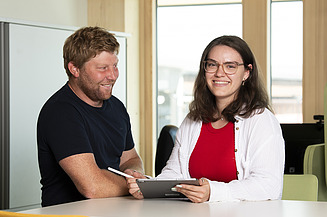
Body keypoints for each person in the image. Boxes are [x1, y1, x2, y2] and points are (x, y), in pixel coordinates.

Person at [127, 35, 285, 203]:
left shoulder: (261, 120)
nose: (219, 73)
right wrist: (148, 186)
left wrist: (213, 192)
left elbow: (269, 186)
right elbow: (174, 173)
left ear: (246, 72)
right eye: (212, 65)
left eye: (230, 66)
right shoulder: (192, 120)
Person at [37, 26, 144, 207]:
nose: (112, 76)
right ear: (75, 69)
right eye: (103, 68)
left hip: (112, 209)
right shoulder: (60, 112)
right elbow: (92, 187)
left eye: (115, 66)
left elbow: (130, 159)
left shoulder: (117, 107)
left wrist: (133, 173)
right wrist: (137, 186)